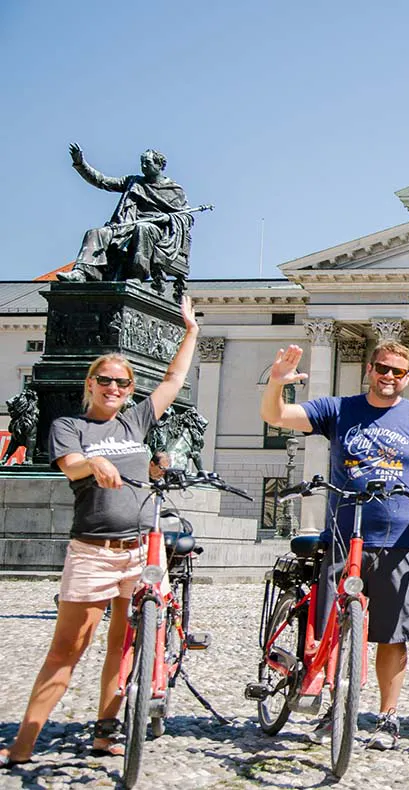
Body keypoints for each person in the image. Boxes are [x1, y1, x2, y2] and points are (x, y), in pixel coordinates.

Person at [0, 298, 198, 769]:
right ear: (90, 384)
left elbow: (173, 380)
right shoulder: (69, 426)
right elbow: (71, 468)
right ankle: (24, 743)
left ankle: (107, 733)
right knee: (68, 647)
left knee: (125, 644)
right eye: (105, 380)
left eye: (122, 382)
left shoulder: (135, 420)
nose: (113, 387)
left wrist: (190, 331)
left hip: (139, 550)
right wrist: (95, 461)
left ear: (130, 391)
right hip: (93, 549)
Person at [260, 340, 409, 752]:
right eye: (383, 368)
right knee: (332, 629)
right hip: (344, 536)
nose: (390, 377)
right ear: (370, 368)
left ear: (408, 377)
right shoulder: (338, 409)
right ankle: (335, 708)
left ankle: (387, 718)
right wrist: (276, 383)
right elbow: (276, 416)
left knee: (394, 635)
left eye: (398, 372)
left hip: (402, 541)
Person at [59, 145, 194, 284]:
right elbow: (102, 181)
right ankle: (82, 272)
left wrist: (168, 217)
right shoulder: (133, 181)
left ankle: (136, 275)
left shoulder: (174, 190)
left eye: (147, 162)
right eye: (142, 162)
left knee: (143, 228)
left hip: (157, 230)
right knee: (95, 233)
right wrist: (81, 164)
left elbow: (187, 217)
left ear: (159, 165)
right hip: (126, 225)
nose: (143, 166)